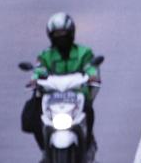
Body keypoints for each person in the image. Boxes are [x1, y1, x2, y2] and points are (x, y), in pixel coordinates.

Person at [22, 12, 102, 150]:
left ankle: (88, 144)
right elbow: (39, 69)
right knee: (34, 117)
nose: (61, 38)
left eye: (63, 33)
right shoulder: (45, 55)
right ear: (51, 36)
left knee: (88, 111)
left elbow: (91, 67)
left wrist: (92, 76)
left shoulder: (84, 52)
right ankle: (45, 150)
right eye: (57, 35)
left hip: (76, 96)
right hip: (52, 97)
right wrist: (34, 80)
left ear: (71, 33)